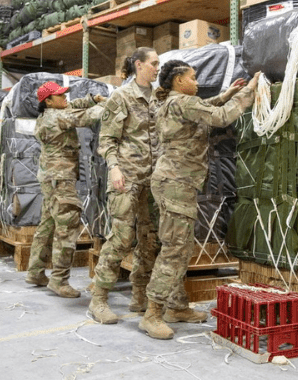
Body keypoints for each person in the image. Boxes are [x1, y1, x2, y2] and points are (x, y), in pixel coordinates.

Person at [140, 60, 259, 339]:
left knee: (180, 247)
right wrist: (249, 92)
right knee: (175, 249)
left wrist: (227, 94)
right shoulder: (183, 102)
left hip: (173, 183)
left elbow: (205, 108)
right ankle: (152, 313)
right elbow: (220, 117)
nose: (197, 82)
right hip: (176, 184)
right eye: (193, 78)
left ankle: (177, 307)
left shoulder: (172, 102)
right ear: (179, 81)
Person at [89, 47, 161, 324]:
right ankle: (99, 299)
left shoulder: (159, 97)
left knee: (149, 239)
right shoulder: (121, 97)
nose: (157, 68)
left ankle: (140, 296)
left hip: (151, 180)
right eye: (154, 63)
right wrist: (114, 168)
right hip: (126, 177)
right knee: (120, 238)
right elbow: (107, 140)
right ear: (139, 65)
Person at [25, 81, 106, 297]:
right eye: (60, 96)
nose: (65, 98)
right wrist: (110, 104)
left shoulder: (49, 114)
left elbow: (74, 106)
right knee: (67, 226)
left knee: (48, 224)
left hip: (50, 178)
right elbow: (86, 117)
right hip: (61, 179)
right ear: (48, 102)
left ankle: (35, 271)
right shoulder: (57, 117)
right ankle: (59, 280)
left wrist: (92, 99)